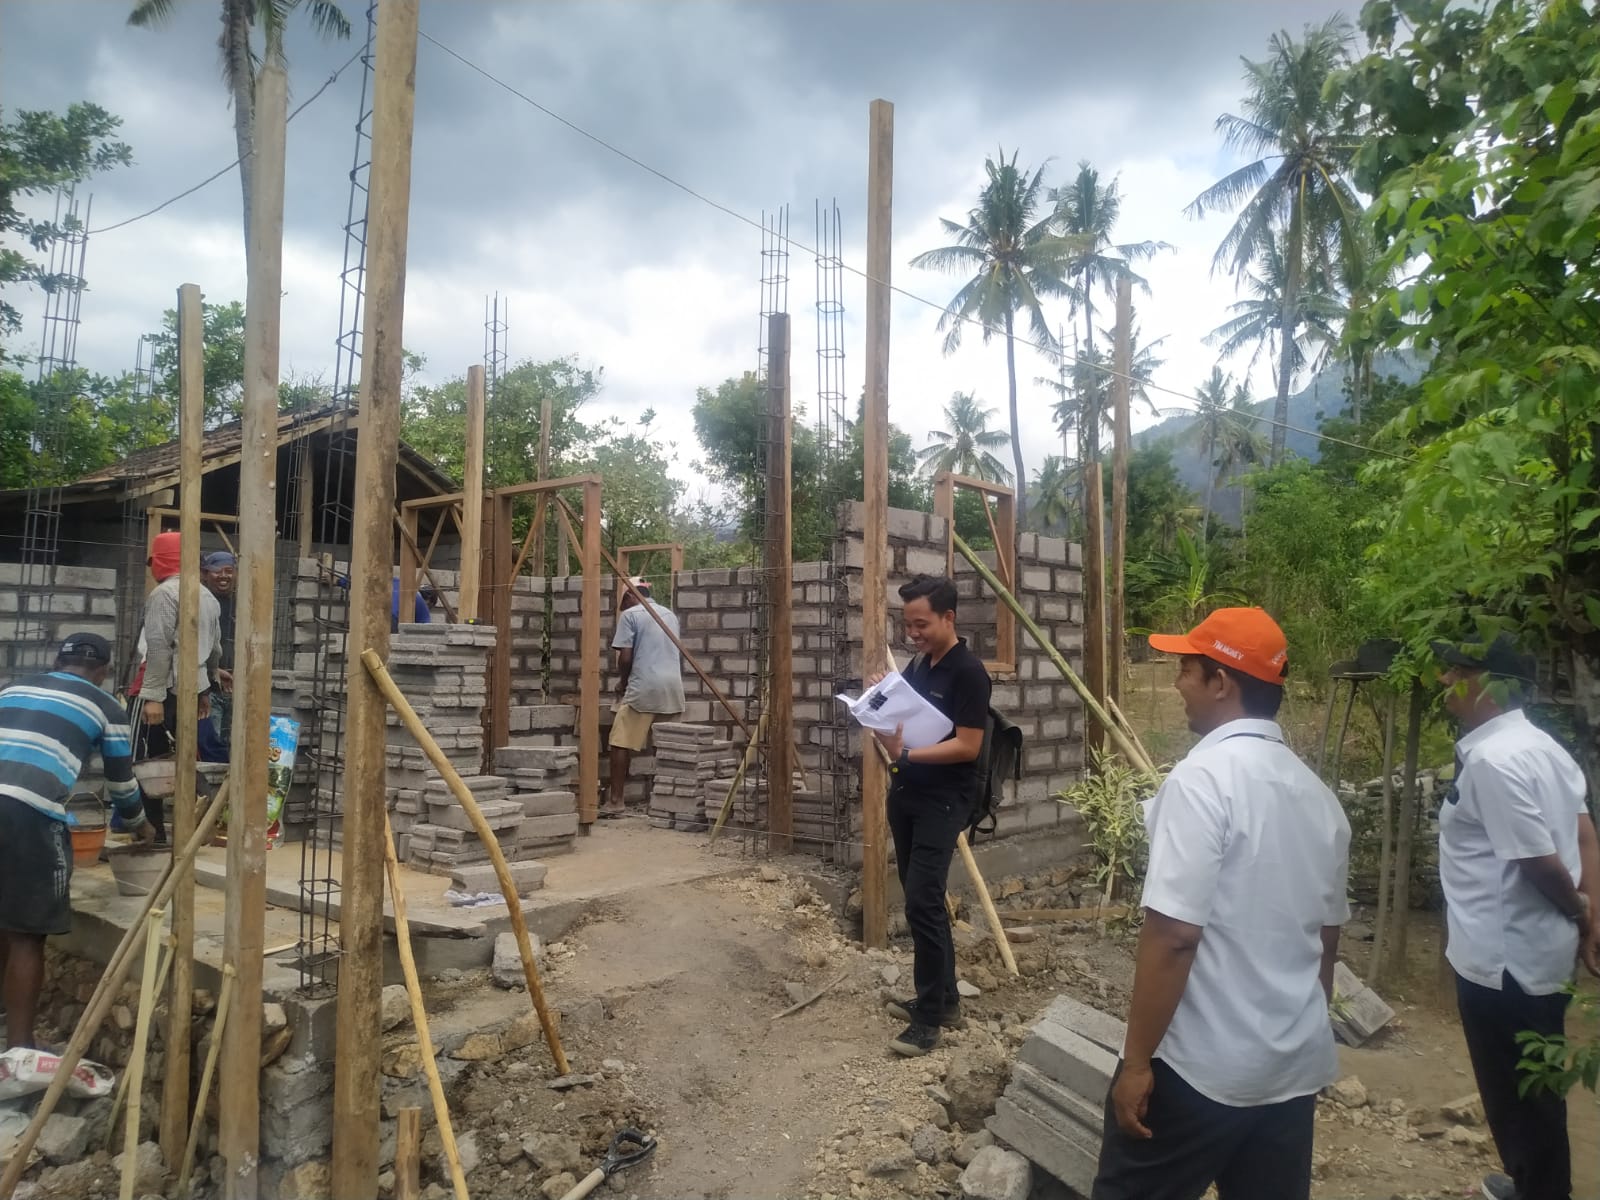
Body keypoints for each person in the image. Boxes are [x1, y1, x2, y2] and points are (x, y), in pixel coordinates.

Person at [1092, 607, 1350, 1200]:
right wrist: (1297, 1039)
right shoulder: (1318, 798)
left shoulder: (1201, 782)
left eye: (1186, 669)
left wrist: (1137, 1063)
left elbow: (1174, 937)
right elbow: (1326, 942)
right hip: (1289, 1070)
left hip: (1200, 1070)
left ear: (1221, 682)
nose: (1176, 683)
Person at [1433, 633, 1598, 1200]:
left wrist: (1581, 911)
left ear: (1492, 686)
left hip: (1502, 962)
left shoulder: (1494, 761)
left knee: (1518, 1095)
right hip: (1537, 951)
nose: (1445, 681)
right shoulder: (1547, 749)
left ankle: (1543, 1190)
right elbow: (1585, 834)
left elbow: (1538, 863)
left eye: (1458, 672)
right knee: (1534, 1086)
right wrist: (1591, 917)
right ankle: (1533, 1183)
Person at [0, 634, 154, 1048]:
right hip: (28, 812)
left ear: (57, 661)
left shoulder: (13, 688)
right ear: (103, 672)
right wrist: (140, 825)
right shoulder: (106, 706)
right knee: (27, 935)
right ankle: (20, 1051)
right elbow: (121, 782)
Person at [873, 574, 992, 1058]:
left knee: (922, 902)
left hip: (943, 800)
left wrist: (906, 754)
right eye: (908, 624)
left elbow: (968, 746)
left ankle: (928, 1018)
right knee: (922, 898)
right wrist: (876, 704)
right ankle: (944, 1001)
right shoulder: (921, 665)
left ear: (948, 617)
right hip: (908, 792)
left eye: (921, 624)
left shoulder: (969, 673)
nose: (913, 633)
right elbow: (903, 715)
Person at [135, 530, 225, 842]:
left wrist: (152, 697)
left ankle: (153, 834)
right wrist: (206, 690)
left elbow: (159, 648)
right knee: (185, 755)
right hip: (191, 689)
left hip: (163, 689)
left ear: (160, 560)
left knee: (146, 760)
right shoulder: (207, 596)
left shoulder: (164, 594)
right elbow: (214, 650)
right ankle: (201, 822)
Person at [605, 578, 685, 817]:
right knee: (671, 747)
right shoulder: (669, 615)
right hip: (673, 688)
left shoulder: (630, 615)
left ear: (630, 596)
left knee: (619, 742)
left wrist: (623, 683)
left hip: (645, 687)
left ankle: (616, 801)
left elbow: (625, 658)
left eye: (624, 602)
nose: (624, 607)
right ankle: (671, 803)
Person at [199, 550, 236, 761]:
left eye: (229, 571)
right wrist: (214, 671)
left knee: (235, 746)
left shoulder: (244, 604)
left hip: (238, 687)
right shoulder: (202, 602)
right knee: (211, 746)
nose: (224, 576)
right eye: (217, 571)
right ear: (205, 574)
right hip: (209, 687)